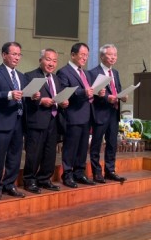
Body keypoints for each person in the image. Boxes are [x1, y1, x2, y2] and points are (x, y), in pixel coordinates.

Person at [57, 42, 104, 188]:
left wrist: (98, 92)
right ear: (73, 55)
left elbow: (90, 91)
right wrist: (83, 92)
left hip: (87, 114)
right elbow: (64, 92)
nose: (85, 58)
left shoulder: (86, 73)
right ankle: (67, 175)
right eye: (82, 55)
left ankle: (79, 173)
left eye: (87, 55)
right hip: (73, 115)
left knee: (83, 147)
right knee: (70, 147)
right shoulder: (64, 72)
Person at [23, 48, 68, 193]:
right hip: (37, 120)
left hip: (53, 120)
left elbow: (58, 96)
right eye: (48, 60)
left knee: (50, 152)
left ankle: (44, 179)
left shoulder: (56, 78)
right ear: (40, 60)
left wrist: (63, 102)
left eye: (54, 61)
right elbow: (25, 98)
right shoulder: (29, 76)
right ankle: (29, 180)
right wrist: (40, 100)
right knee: (34, 152)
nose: (51, 63)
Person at [0, 42, 27, 200]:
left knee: (15, 156)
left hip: (19, 120)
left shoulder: (21, 76)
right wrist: (9, 95)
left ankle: (9, 184)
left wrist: (33, 95)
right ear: (4, 55)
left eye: (19, 54)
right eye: (14, 54)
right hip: (2, 121)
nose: (17, 57)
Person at [89, 44, 127, 183]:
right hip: (100, 113)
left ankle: (110, 171)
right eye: (110, 55)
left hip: (114, 113)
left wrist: (123, 96)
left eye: (115, 55)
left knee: (112, 144)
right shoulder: (93, 73)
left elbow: (118, 89)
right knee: (96, 144)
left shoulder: (115, 72)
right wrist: (106, 98)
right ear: (102, 56)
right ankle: (97, 172)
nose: (113, 57)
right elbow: (92, 93)